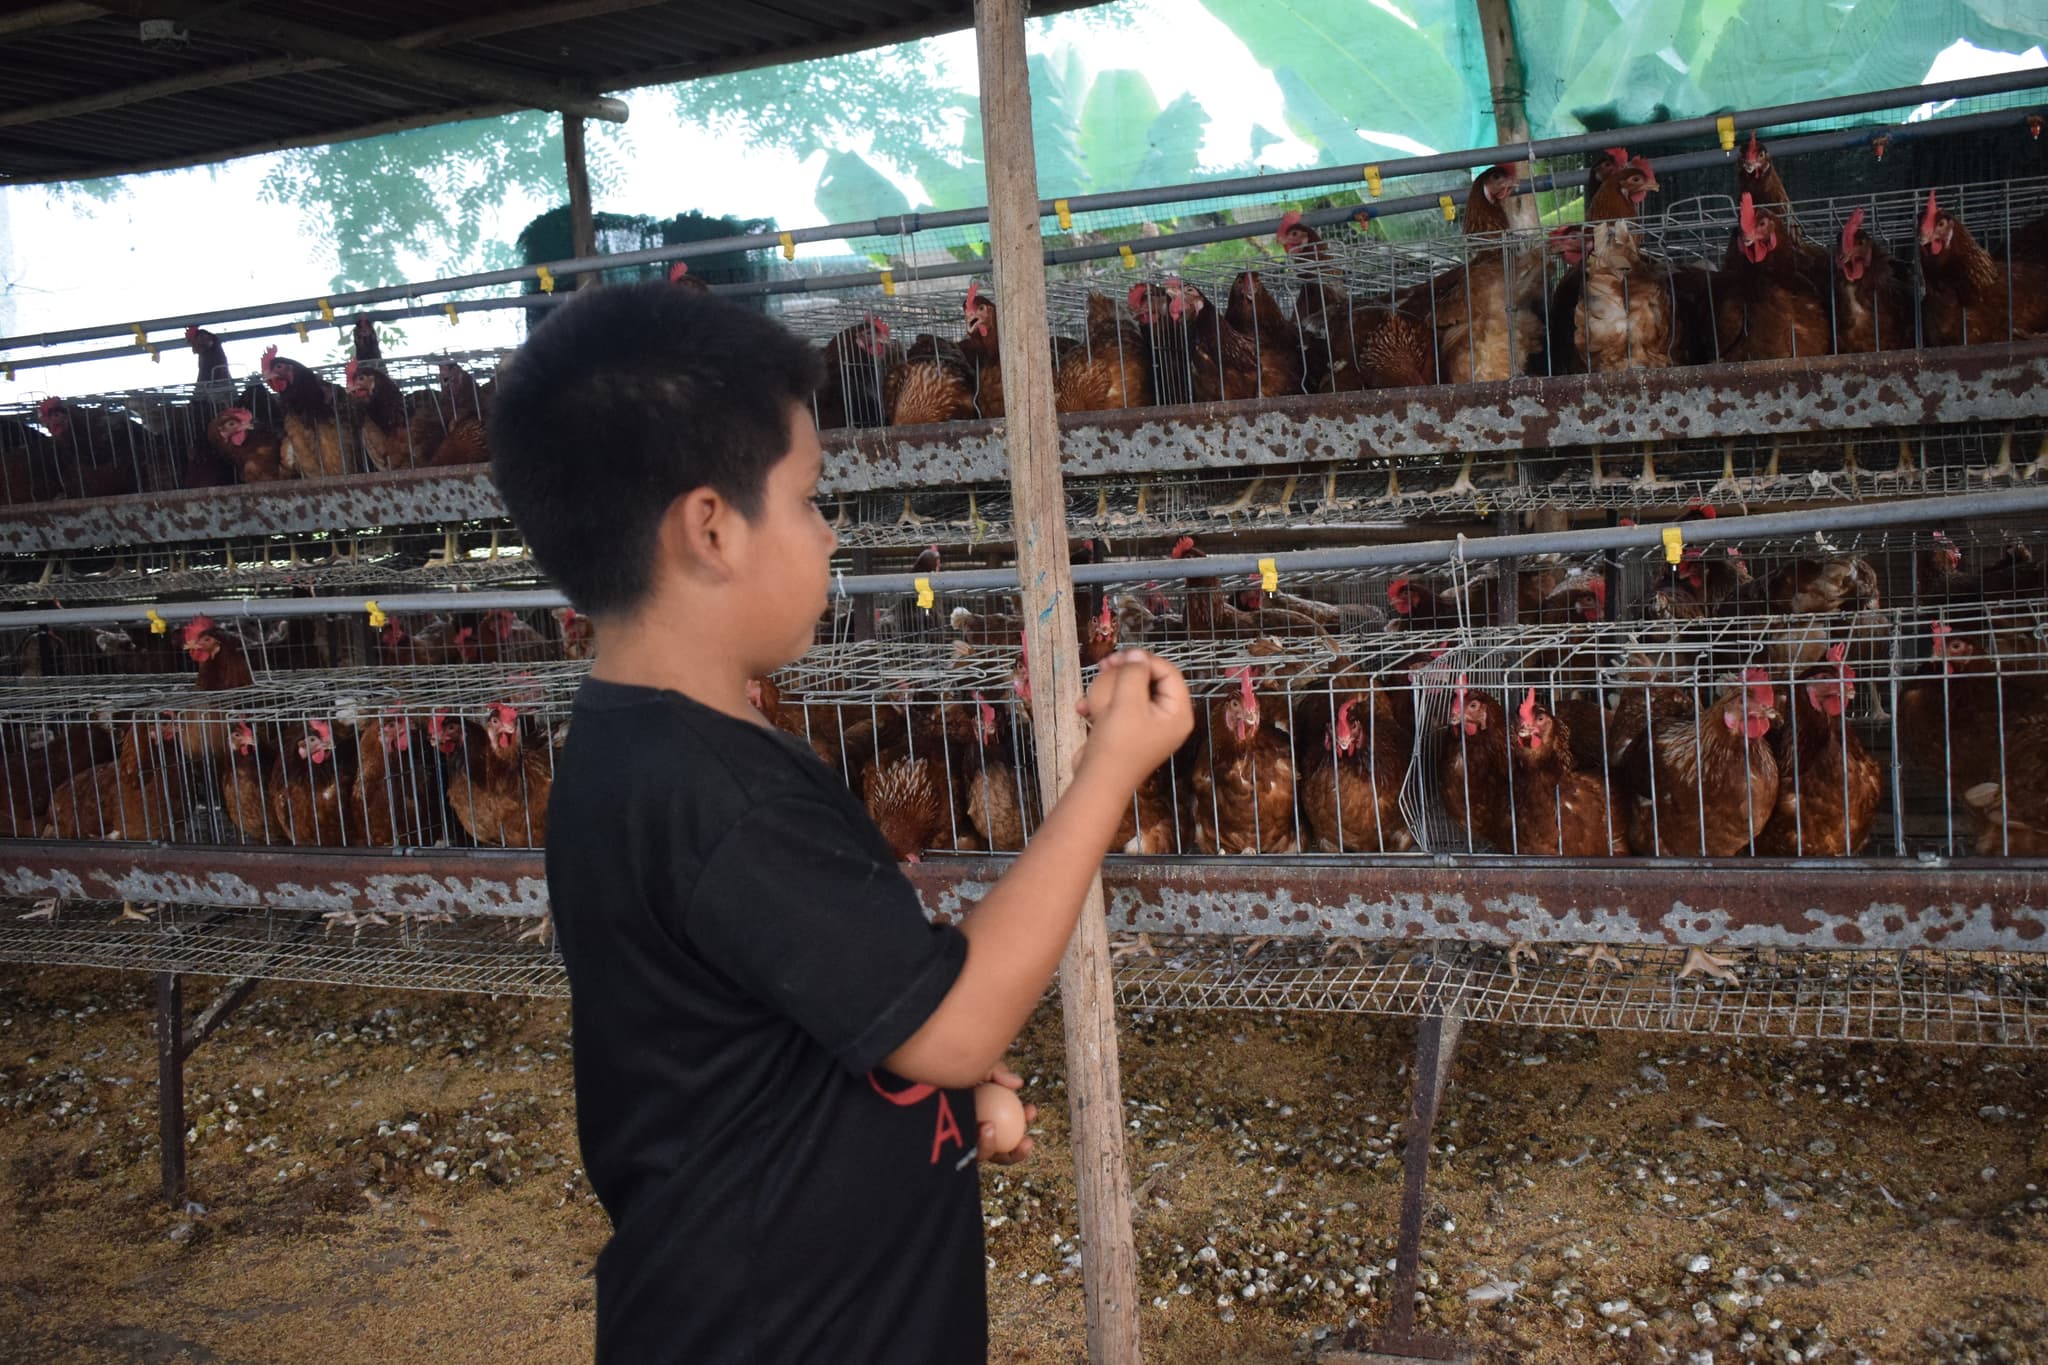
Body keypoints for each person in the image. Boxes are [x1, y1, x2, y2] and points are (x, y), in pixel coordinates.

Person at [489, 282, 1193, 1364]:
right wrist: (1107, 776)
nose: (827, 539)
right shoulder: (723, 794)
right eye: (811, 500)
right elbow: (951, 1019)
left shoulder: (647, 750)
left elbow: (805, 1003)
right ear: (711, 529)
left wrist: (927, 1092)